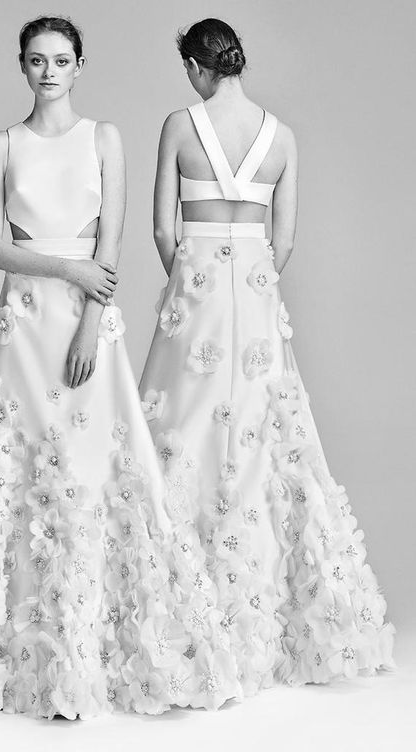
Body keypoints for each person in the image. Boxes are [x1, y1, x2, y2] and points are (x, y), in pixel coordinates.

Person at [0, 15, 244, 721]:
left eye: (62, 60)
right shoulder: (1, 145)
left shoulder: (105, 139)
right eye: (37, 60)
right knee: (8, 470)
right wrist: (66, 269)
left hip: (84, 322)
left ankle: (88, 650)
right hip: (23, 324)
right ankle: (0, 654)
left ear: (79, 65)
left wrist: (91, 325)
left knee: (95, 468)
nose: (49, 72)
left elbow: (112, 245)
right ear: (22, 66)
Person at [139, 17, 394, 692]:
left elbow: (162, 228)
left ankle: (182, 607)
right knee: (264, 434)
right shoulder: (281, 137)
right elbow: (285, 240)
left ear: (196, 67)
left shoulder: (179, 125)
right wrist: (250, 282)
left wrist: (190, 285)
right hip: (255, 293)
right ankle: (270, 612)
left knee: (184, 428)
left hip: (194, 290)